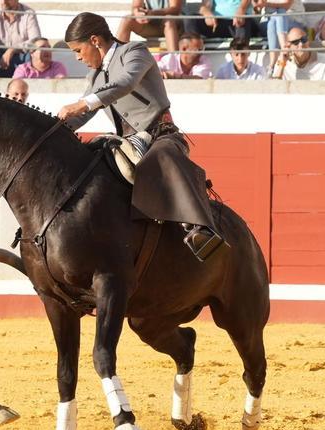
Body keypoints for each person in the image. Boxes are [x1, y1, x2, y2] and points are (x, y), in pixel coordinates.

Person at [57, 12, 224, 261]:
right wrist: (55, 127)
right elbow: (84, 116)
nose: (77, 58)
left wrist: (83, 103)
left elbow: (126, 82)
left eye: (78, 50)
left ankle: (199, 228)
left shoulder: (135, 52)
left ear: (95, 41)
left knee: (163, 157)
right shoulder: (95, 76)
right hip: (126, 142)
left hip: (160, 134)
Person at [251, 0, 304, 70]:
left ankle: (272, 64)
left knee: (279, 14)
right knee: (274, 19)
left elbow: (286, 5)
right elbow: (256, 12)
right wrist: (256, 6)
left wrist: (266, 4)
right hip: (267, 22)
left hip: (292, 21)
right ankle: (284, 49)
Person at [116, 0, 183, 53]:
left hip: (175, 26)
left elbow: (175, 9)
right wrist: (138, 13)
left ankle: (174, 63)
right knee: (127, 19)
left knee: (169, 20)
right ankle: (118, 58)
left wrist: (153, 13)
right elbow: (136, 7)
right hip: (152, 24)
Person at [184, 0, 258, 41]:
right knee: (191, 19)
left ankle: (240, 57)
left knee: (244, 20)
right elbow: (204, 6)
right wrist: (207, 14)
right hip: (217, 24)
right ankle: (193, 53)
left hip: (238, 23)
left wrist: (241, 10)